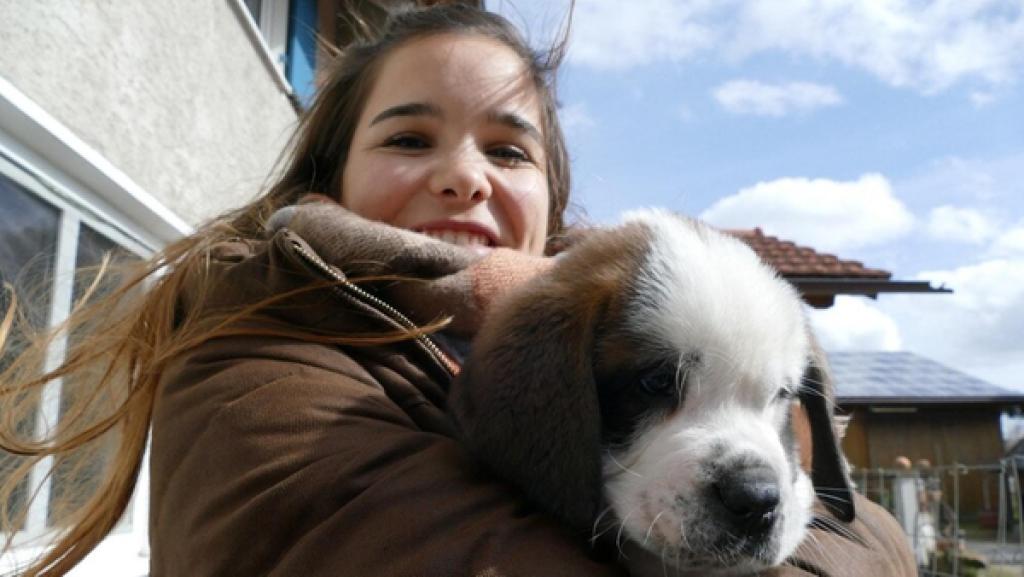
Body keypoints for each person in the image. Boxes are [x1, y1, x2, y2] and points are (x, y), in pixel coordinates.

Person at [0, 3, 916, 576]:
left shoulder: (605, 307)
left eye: (509, 150)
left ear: (552, 198)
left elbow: (861, 526)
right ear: (329, 177)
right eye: (409, 138)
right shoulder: (258, 346)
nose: (465, 178)